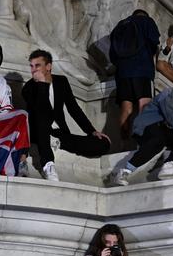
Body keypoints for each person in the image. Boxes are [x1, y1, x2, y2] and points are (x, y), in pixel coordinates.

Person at [22, 49, 111, 181]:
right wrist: (42, 85)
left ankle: (56, 142)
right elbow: (40, 112)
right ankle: (48, 164)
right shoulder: (28, 88)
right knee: (41, 119)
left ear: (48, 66)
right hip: (40, 133)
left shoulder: (61, 82)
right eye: (31, 66)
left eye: (37, 65)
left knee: (103, 144)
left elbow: (74, 109)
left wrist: (92, 131)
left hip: (60, 135)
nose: (33, 69)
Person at [109, 9, 160, 138]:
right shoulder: (147, 22)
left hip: (122, 72)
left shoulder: (120, 26)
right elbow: (154, 43)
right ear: (145, 15)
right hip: (142, 69)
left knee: (126, 109)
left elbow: (112, 54)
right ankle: (144, 142)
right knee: (144, 106)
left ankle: (123, 144)